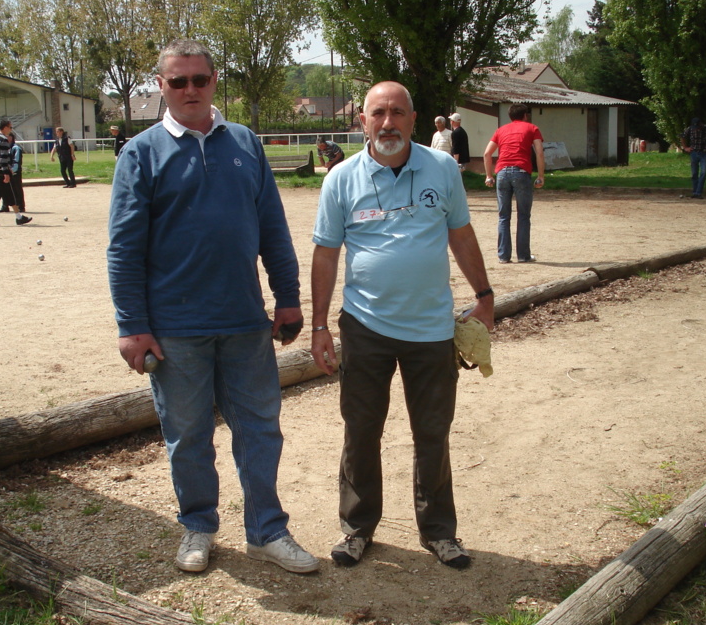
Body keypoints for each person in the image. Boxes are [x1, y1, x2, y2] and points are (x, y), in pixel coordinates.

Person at [107, 39, 318, 575]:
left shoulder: (244, 142)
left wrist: (288, 298)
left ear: (214, 80)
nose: (190, 90)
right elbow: (124, 248)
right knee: (188, 437)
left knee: (261, 430)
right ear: (162, 86)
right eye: (178, 81)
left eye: (199, 79)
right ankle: (198, 526)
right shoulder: (140, 153)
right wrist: (133, 327)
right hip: (175, 330)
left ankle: (267, 530)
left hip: (245, 321)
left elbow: (272, 225)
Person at [310, 80, 496, 570]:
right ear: (363, 121)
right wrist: (319, 326)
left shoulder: (441, 169)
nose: (387, 122)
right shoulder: (341, 179)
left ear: (415, 120)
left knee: (433, 431)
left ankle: (439, 532)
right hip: (365, 328)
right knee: (361, 429)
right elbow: (326, 254)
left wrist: (485, 296)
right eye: (378, 113)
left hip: (432, 329)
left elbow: (461, 233)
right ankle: (356, 528)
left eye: (397, 112)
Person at [483, 103, 545, 264]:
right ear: (525, 115)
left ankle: (504, 256)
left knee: (504, 216)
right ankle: (523, 256)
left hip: (502, 173)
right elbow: (539, 152)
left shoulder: (501, 130)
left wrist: (489, 175)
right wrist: (540, 175)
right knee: (523, 215)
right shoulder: (532, 128)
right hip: (521, 172)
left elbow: (487, 153)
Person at [0, 119, 31, 227]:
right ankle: (19, 217)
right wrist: (6, 172)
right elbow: (3, 158)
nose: (11, 129)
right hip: (2, 171)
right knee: (10, 193)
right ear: (5, 127)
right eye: (10, 127)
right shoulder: (4, 140)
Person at [681, 117, 706, 199]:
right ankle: (695, 192)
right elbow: (683, 136)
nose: (697, 129)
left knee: (703, 172)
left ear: (701, 124)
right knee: (694, 173)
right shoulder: (690, 129)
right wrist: (685, 147)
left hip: (704, 153)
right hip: (694, 152)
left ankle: (699, 192)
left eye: (698, 127)